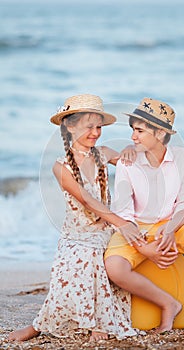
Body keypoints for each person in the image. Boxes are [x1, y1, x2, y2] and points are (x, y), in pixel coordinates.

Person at [8, 94, 145, 343]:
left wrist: (128, 151)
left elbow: (134, 166)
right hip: (75, 233)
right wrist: (121, 222)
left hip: (103, 230)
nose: (95, 132)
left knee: (92, 255)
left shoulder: (103, 153)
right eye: (88, 126)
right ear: (70, 127)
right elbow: (86, 200)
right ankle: (40, 325)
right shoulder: (60, 166)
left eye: (99, 127)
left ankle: (96, 323)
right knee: (73, 260)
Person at [105, 97, 184, 335]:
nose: (133, 136)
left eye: (140, 131)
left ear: (161, 134)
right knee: (115, 267)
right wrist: (144, 249)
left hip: (171, 224)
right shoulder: (128, 162)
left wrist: (171, 229)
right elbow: (123, 212)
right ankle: (168, 303)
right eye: (133, 130)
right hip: (135, 227)